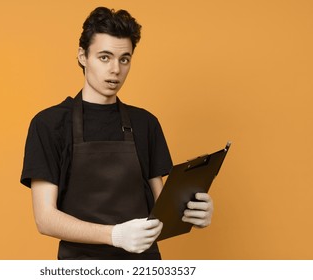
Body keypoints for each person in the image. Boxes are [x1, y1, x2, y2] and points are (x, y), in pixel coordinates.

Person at [20, 6, 214, 260]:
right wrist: (115, 235)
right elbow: (45, 219)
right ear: (82, 56)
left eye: (124, 59)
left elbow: (161, 211)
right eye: (104, 57)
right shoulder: (49, 124)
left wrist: (193, 214)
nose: (115, 70)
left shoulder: (145, 123)